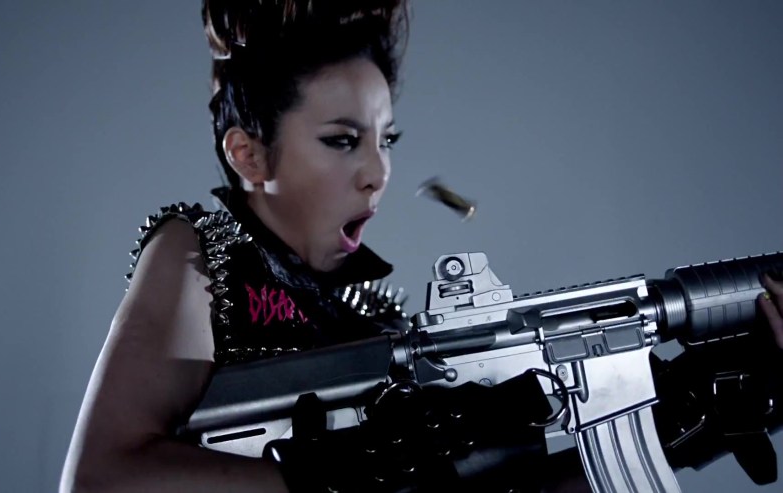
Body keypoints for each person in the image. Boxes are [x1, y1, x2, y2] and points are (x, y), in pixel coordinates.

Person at [59, 0, 783, 491]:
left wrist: (695, 417)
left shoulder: (374, 321)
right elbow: (99, 479)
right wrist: (339, 474)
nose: (378, 173)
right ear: (249, 155)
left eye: (386, 140)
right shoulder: (202, 255)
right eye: (341, 141)